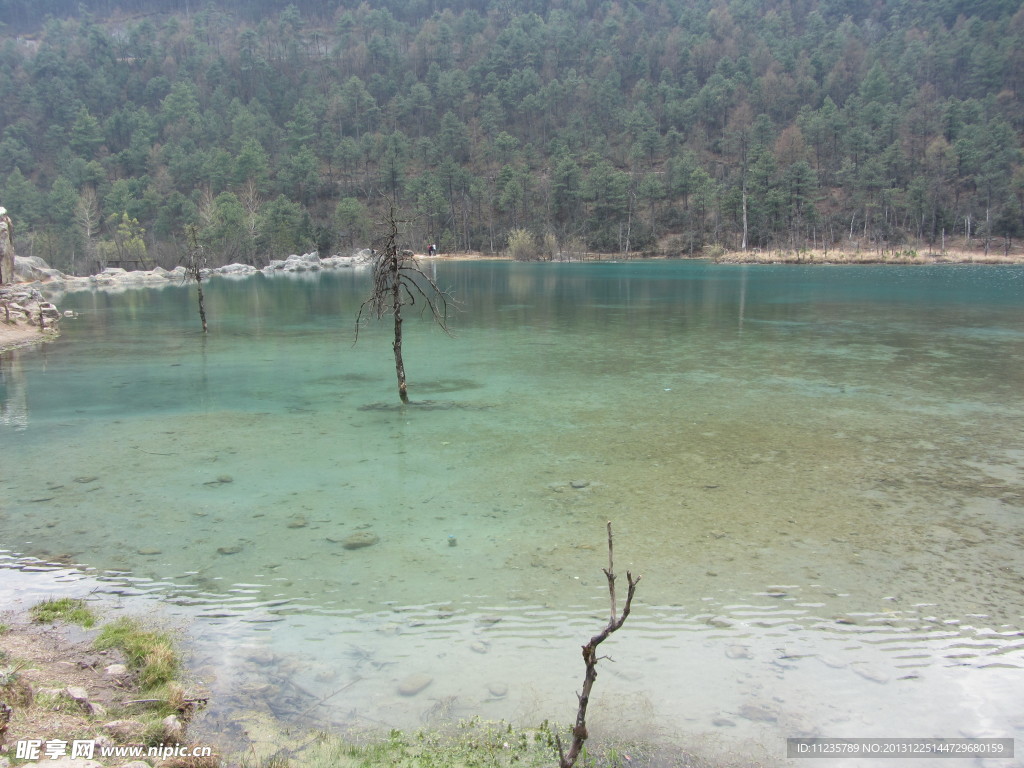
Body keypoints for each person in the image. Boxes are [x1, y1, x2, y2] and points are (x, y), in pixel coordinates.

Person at [0, 206, 14, 286]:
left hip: (5, 247)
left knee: (5, 264)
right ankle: (6, 280)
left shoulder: (5, 224)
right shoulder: (7, 222)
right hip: (6, 247)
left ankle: (6, 280)